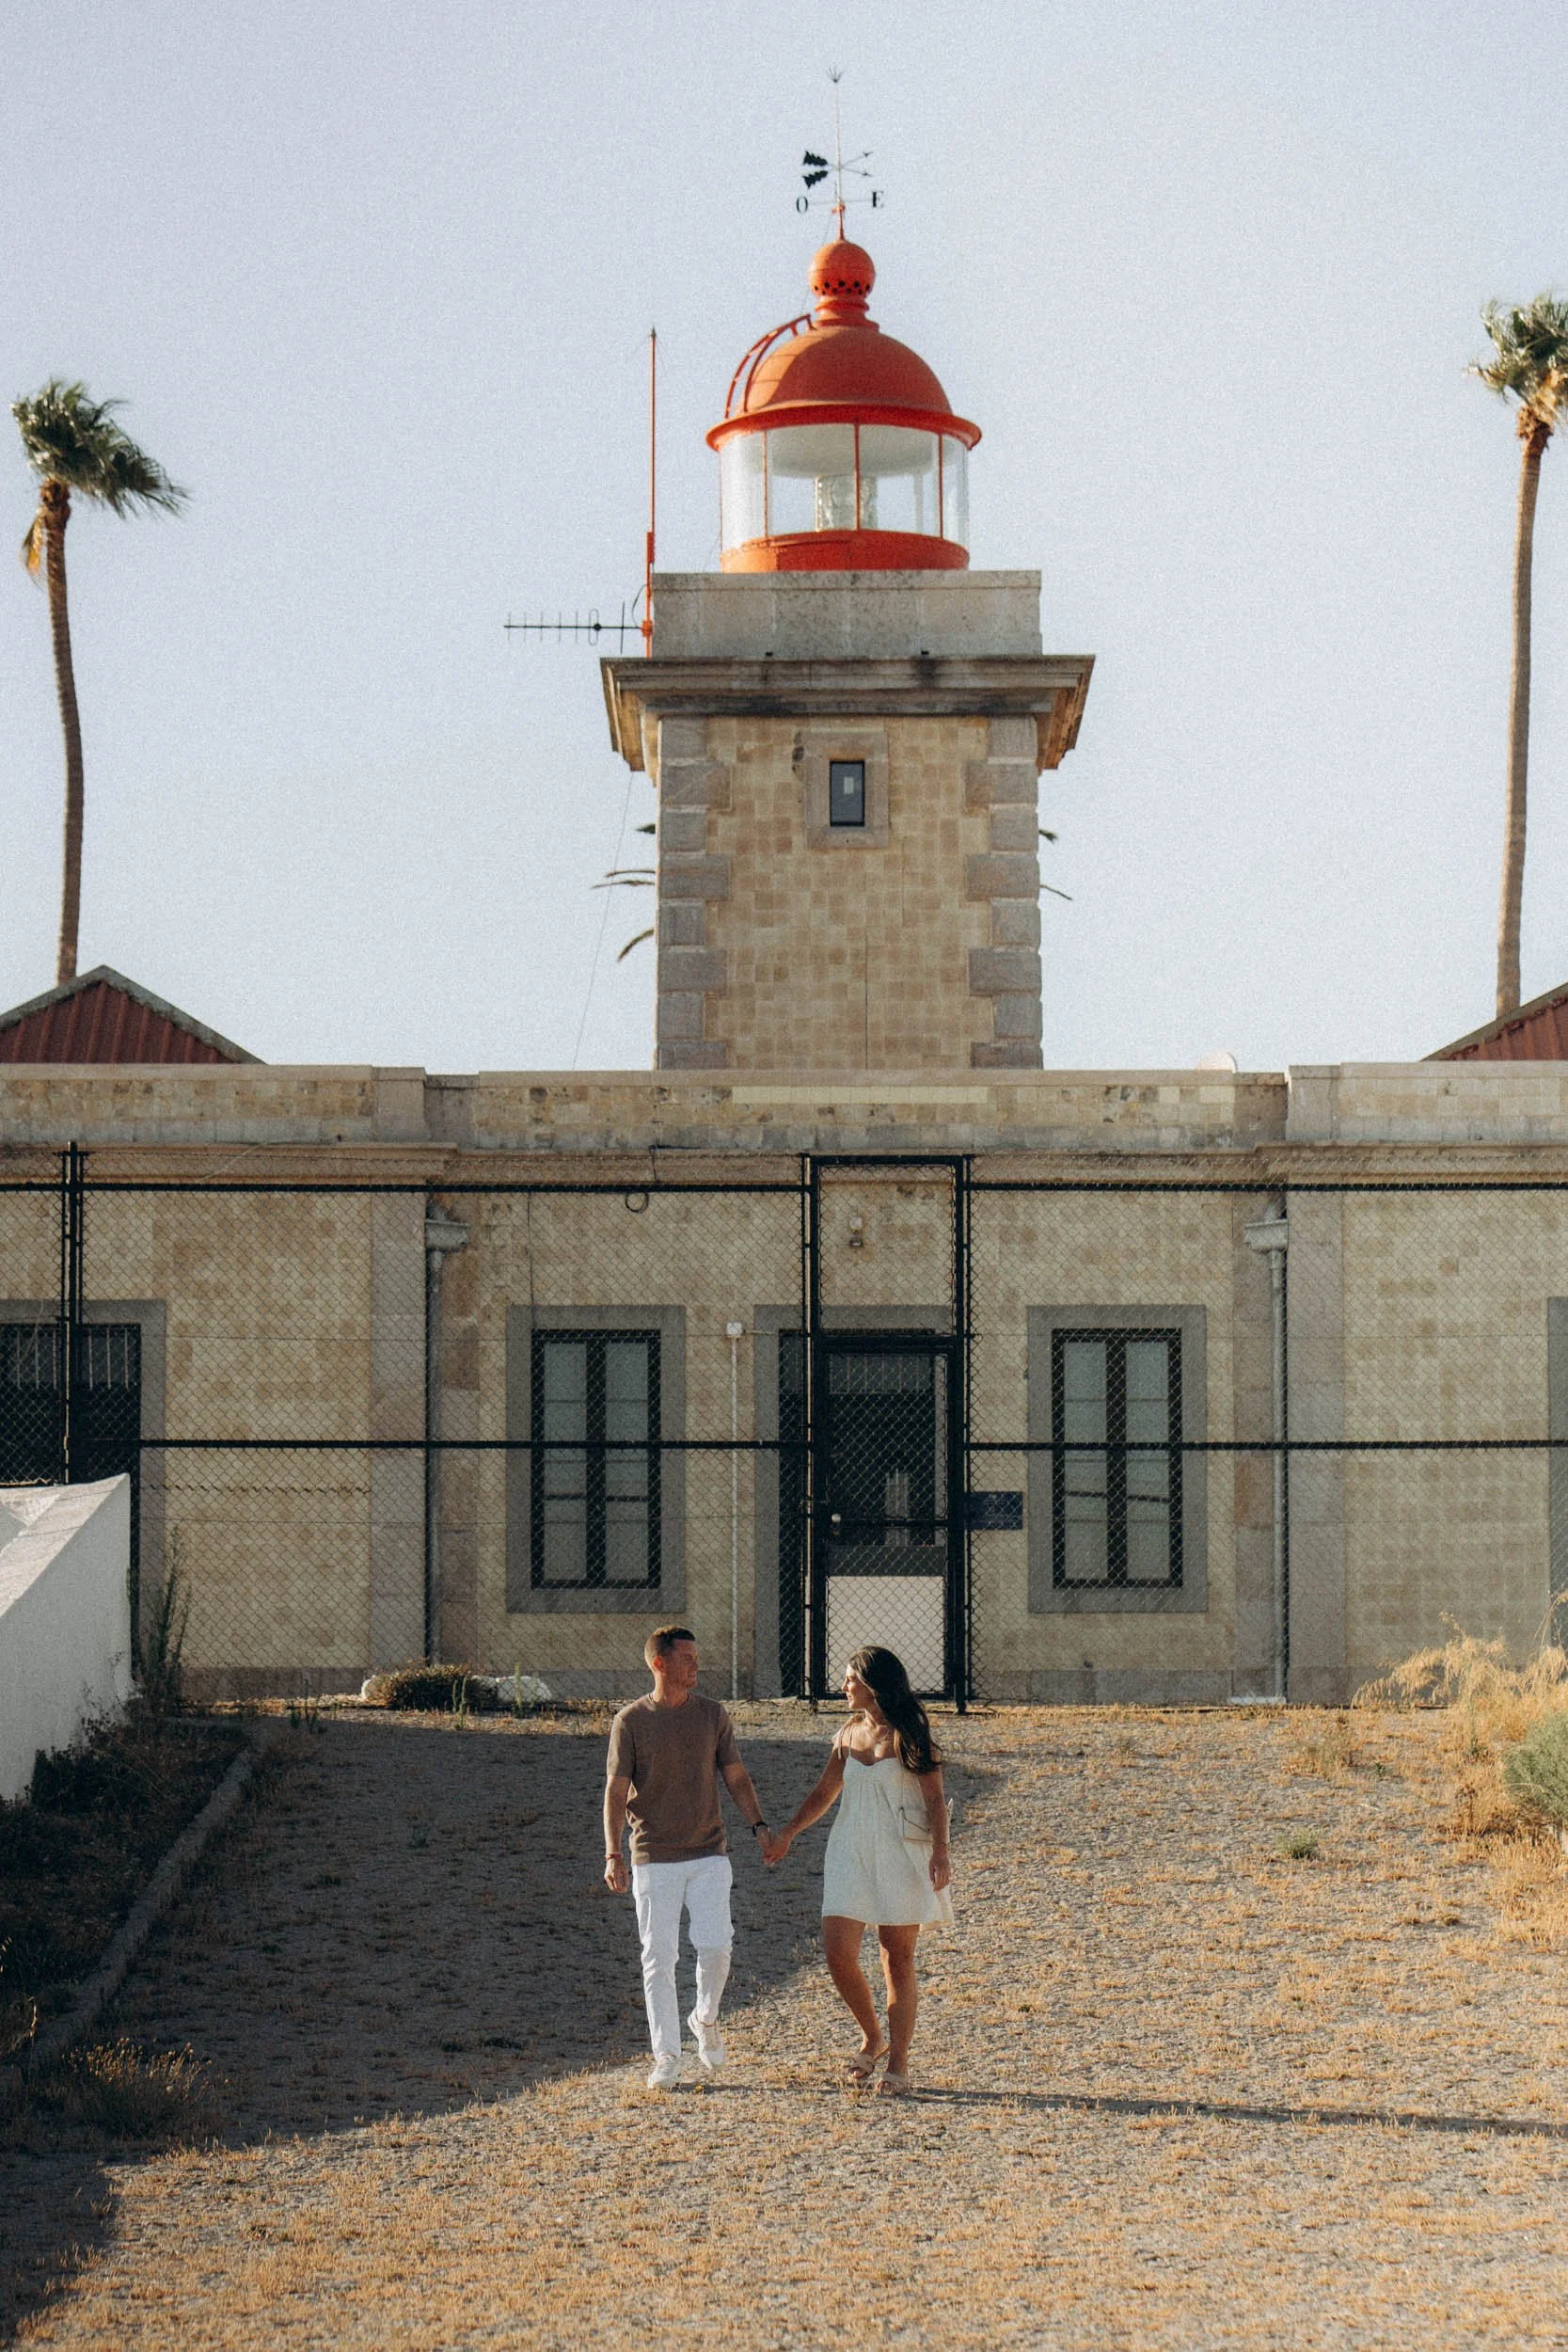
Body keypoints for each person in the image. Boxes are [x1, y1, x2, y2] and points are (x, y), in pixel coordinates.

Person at [764, 1645, 952, 2097]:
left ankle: (900, 2063)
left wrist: (941, 1851)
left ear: (872, 1683)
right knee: (837, 1951)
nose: (843, 1686)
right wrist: (788, 1832)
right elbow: (824, 1791)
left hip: (901, 1853)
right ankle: (873, 2034)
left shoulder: (911, 1733)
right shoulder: (847, 1734)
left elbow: (934, 1801)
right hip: (850, 1850)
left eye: (850, 1679)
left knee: (896, 1957)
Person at [604, 1625, 772, 2090]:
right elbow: (616, 1791)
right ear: (659, 1663)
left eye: (696, 1658)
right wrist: (613, 1852)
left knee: (717, 1947)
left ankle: (706, 2016)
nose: (695, 1665)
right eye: (686, 1659)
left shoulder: (713, 1716)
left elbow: (736, 1777)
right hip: (652, 1854)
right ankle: (666, 2058)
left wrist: (758, 1825)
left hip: (708, 1851)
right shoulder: (631, 1721)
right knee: (658, 1958)